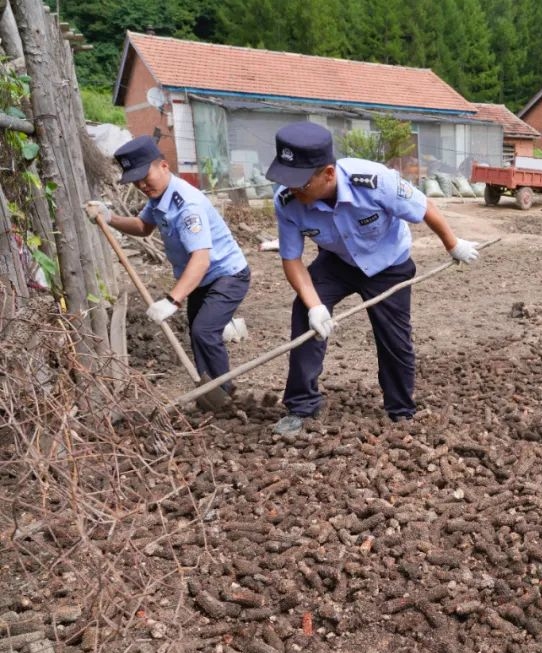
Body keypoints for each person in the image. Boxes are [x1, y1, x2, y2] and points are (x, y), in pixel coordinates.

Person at [265, 121, 480, 436]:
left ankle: (401, 411)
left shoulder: (375, 181)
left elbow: (425, 208)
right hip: (338, 261)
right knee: (304, 315)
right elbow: (291, 259)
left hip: (388, 264)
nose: (292, 191)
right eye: (287, 181)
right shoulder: (287, 201)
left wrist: (453, 244)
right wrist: (315, 306)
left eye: (301, 184)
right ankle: (301, 406)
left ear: (328, 173)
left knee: (394, 338)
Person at [85, 135, 250, 395]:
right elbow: (143, 226)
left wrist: (172, 300)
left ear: (163, 166)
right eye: (135, 180)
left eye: (145, 177)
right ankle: (211, 394)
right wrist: (109, 217)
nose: (141, 185)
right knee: (198, 335)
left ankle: (224, 396)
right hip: (201, 279)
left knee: (204, 332)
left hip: (227, 275)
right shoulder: (159, 197)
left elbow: (201, 259)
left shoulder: (187, 206)